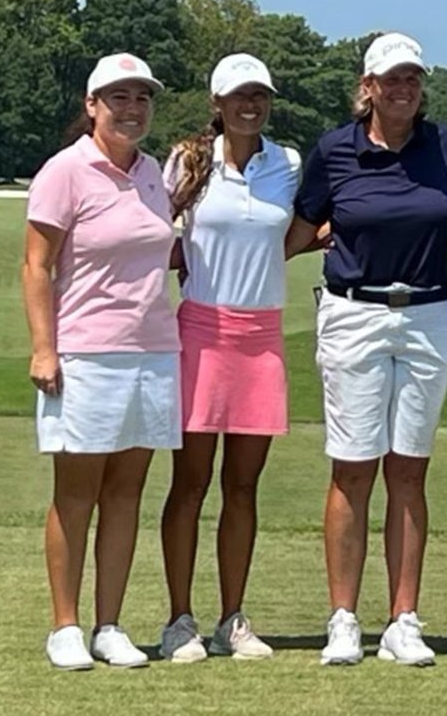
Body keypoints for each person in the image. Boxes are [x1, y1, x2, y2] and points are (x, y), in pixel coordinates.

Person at [285, 32, 447, 667]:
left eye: (412, 78)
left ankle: (403, 619)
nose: (403, 88)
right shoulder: (335, 150)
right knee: (353, 467)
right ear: (368, 87)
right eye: (391, 79)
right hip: (354, 315)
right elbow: (301, 230)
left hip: (428, 315)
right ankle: (344, 618)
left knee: (409, 467)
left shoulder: (443, 145)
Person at [23, 53, 178, 670]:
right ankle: (66, 625)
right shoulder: (65, 171)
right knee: (77, 493)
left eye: (141, 97)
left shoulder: (153, 175)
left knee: (126, 492)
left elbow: (154, 250)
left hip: (153, 349)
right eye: (119, 97)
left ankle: (110, 624)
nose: (131, 108)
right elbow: (37, 264)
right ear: (92, 106)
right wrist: (44, 346)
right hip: (86, 351)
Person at [158, 54, 301, 662]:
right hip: (200, 332)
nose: (252, 104)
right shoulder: (189, 161)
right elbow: (159, 236)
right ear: (217, 103)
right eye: (239, 95)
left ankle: (231, 619)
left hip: (261, 338)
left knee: (243, 486)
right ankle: (179, 620)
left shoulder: (289, 164)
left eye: (260, 95)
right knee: (189, 484)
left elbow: (299, 232)